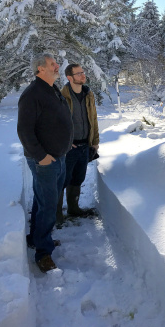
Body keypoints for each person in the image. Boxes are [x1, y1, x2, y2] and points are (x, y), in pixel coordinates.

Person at [17, 53, 73, 273]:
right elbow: (24, 130)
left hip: (58, 157)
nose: (57, 66)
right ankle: (43, 253)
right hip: (44, 160)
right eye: (52, 64)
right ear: (40, 69)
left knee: (43, 201)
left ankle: (37, 238)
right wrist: (41, 156)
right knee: (48, 204)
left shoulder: (51, 89)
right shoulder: (32, 94)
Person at [60, 63, 99, 219]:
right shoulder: (61, 96)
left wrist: (95, 141)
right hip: (68, 147)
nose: (83, 75)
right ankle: (57, 215)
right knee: (62, 181)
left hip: (84, 145)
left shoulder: (88, 94)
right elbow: (56, 123)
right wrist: (65, 142)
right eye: (78, 73)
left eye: (83, 72)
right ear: (69, 77)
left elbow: (93, 119)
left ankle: (73, 208)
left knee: (78, 179)